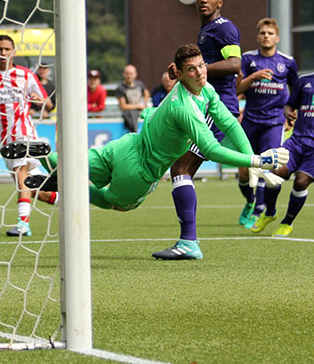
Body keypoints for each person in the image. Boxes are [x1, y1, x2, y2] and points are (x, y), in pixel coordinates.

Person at [25, 44, 288, 261]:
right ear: (180, 75)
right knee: (111, 202)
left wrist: (250, 157)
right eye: (191, 69)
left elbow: (229, 123)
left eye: (201, 66)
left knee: (76, 165)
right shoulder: (185, 108)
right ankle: (63, 188)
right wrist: (257, 159)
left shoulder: (203, 91)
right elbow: (211, 149)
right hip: (139, 172)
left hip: (125, 146)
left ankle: (44, 155)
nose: (199, 72)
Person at [165, 0, 249, 249]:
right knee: (179, 166)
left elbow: (235, 64)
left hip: (218, 107)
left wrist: (191, 70)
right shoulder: (207, 30)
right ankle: (188, 241)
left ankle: (189, 242)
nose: (203, 0)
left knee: (181, 168)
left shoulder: (223, 28)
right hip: (206, 106)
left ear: (220, 2)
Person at [250, 41, 314, 237]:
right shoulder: (304, 81)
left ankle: (287, 222)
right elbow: (289, 105)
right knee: (274, 173)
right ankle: (270, 213)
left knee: (300, 182)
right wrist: (289, 113)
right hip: (296, 141)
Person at [0, 34, 53, 237]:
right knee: (35, 190)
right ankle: (72, 201)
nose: (3, 53)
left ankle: (23, 224)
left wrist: (39, 99)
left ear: (14, 51)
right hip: (3, 138)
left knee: (21, 174)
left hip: (25, 132)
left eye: (7, 49)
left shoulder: (26, 75)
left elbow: (48, 103)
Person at [236, 18, 298, 224]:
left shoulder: (287, 62)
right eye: (262, 33)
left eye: (270, 33)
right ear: (257, 37)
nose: (266, 36)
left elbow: (295, 92)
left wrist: (291, 113)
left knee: (268, 166)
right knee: (244, 172)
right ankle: (250, 201)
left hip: (273, 122)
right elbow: (237, 89)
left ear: (277, 38)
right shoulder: (247, 59)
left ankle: (260, 210)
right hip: (251, 120)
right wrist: (254, 77)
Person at [115, 64, 149, 132]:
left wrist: (144, 103)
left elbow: (146, 92)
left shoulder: (139, 84)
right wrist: (138, 106)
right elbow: (123, 106)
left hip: (140, 112)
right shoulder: (120, 88)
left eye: (131, 74)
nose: (129, 76)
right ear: (124, 74)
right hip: (129, 114)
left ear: (135, 74)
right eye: (127, 74)